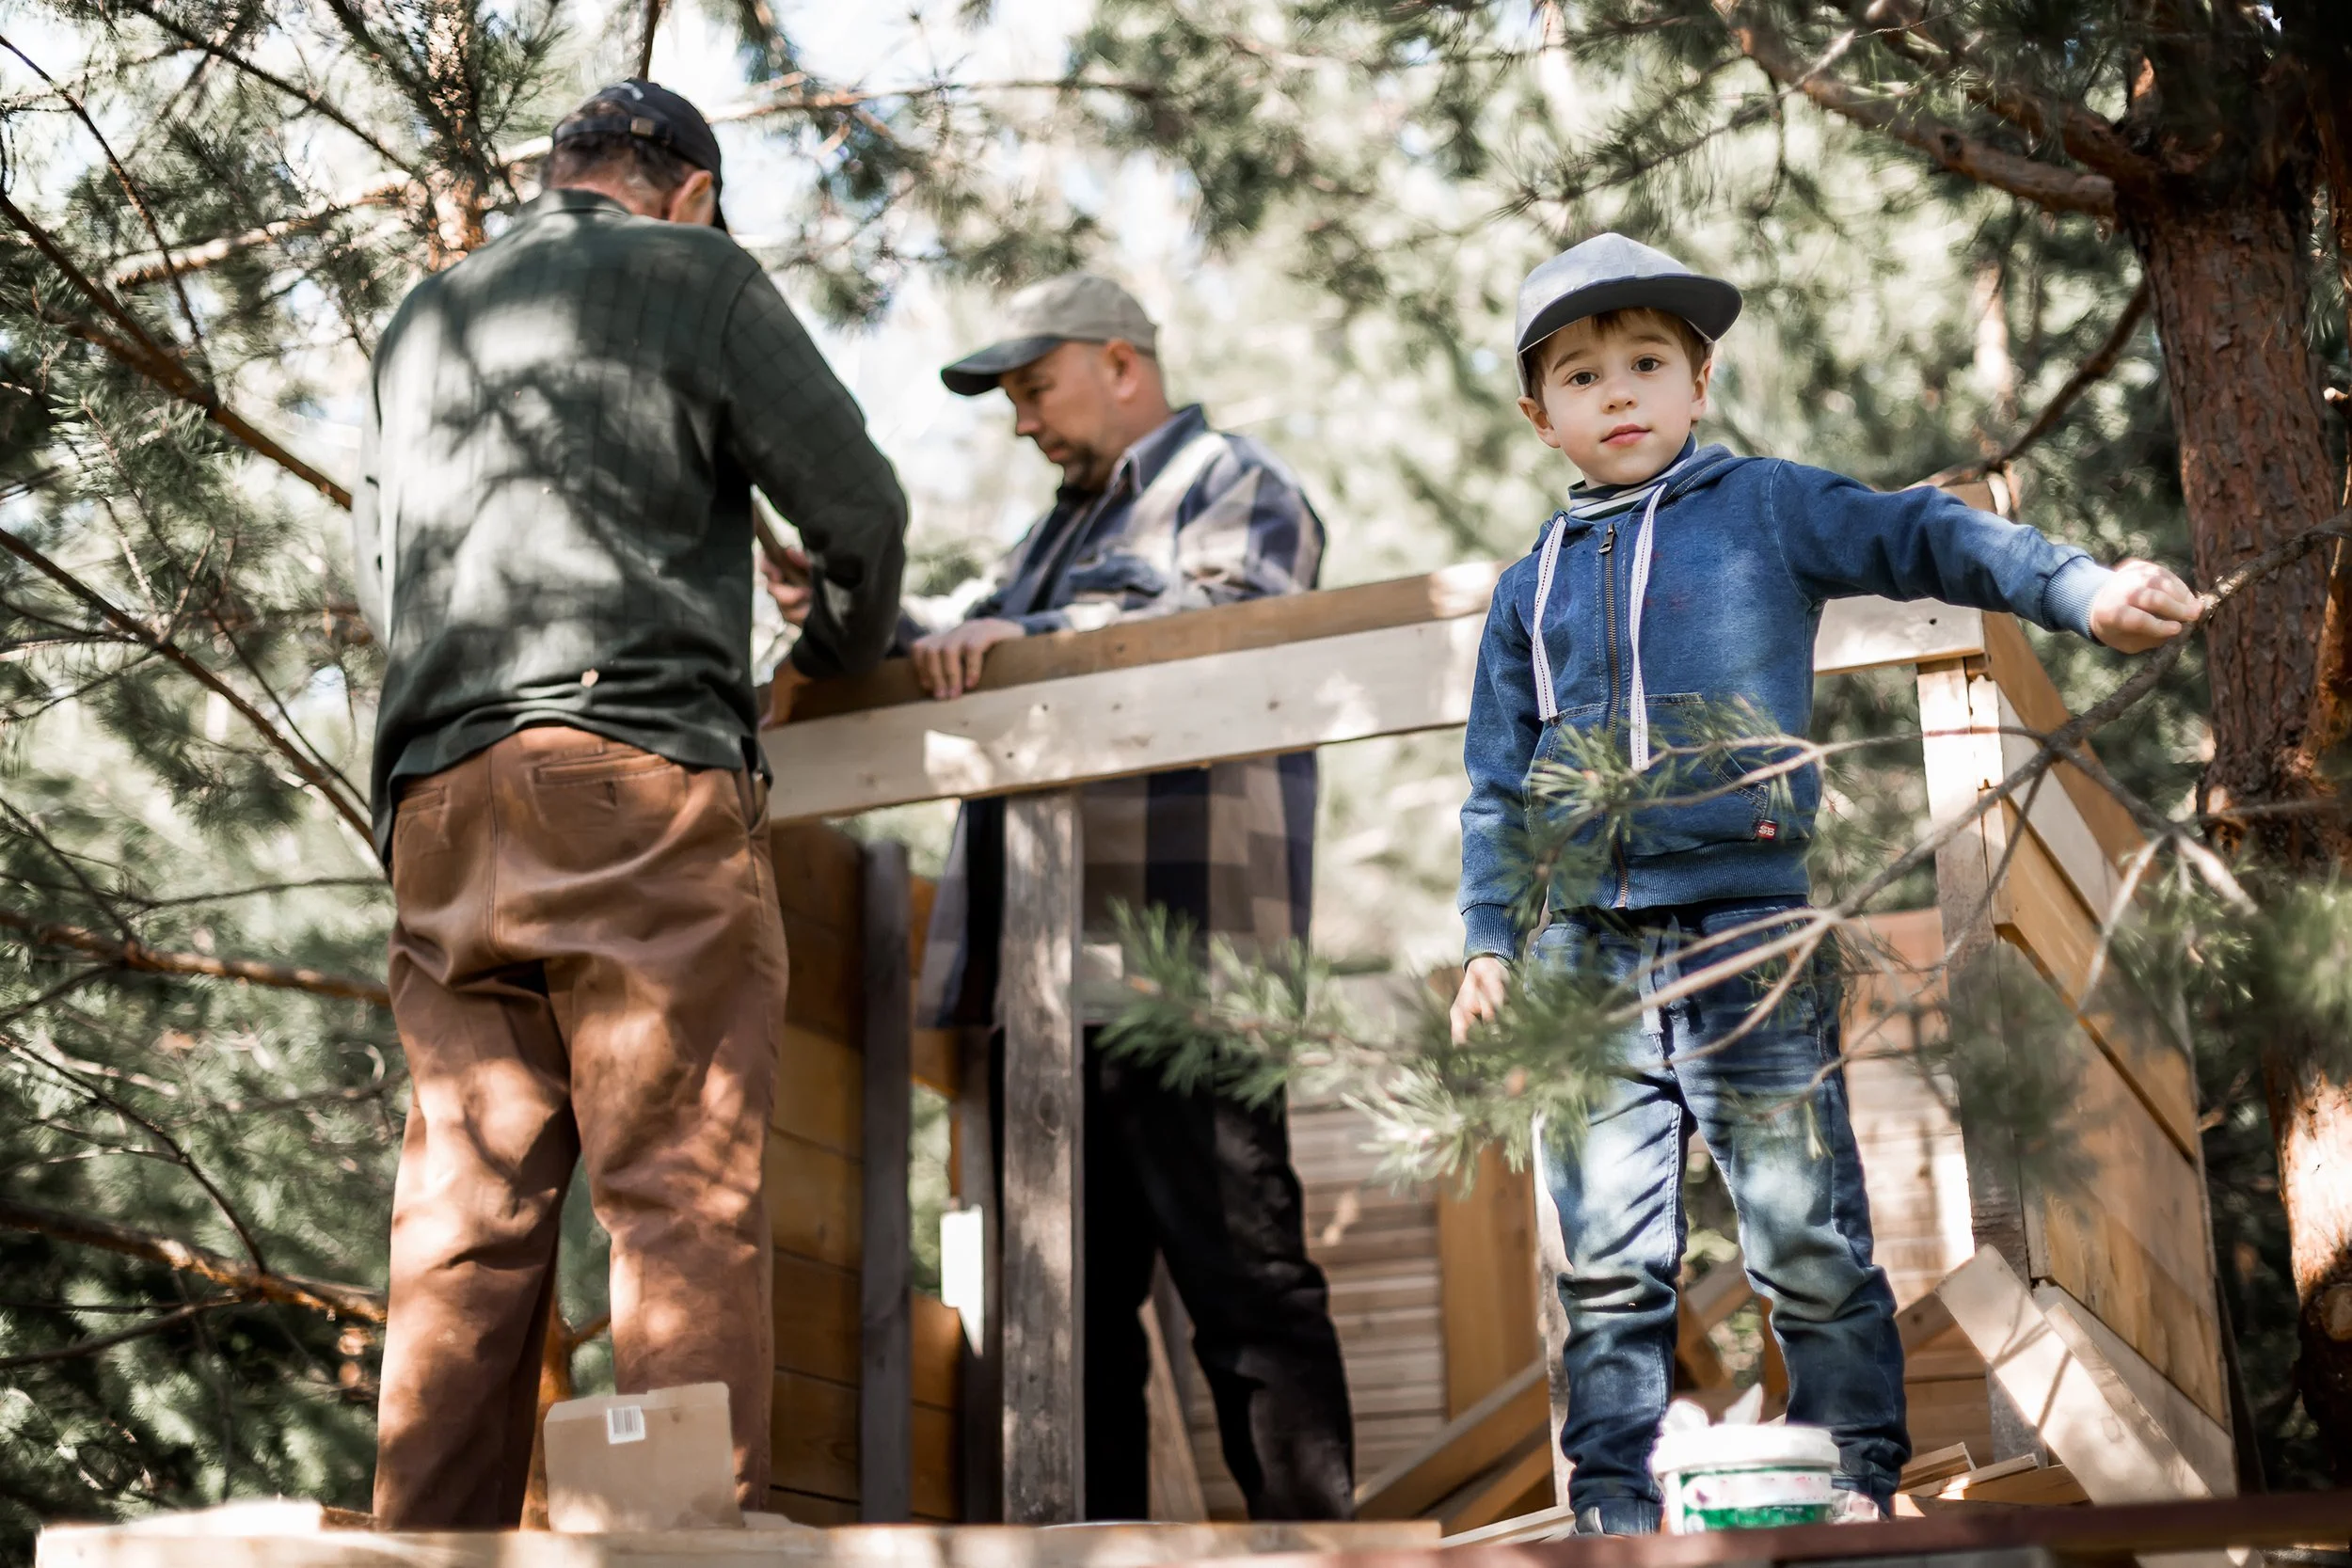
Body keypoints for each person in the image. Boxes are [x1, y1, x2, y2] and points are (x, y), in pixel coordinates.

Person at [1448, 233, 2199, 1533]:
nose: (1616, 393)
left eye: (1645, 363)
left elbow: (1925, 534)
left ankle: (1855, 1475)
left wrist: (2081, 587)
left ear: (1700, 381)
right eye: (1581, 376)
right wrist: (1488, 943)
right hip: (1584, 956)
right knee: (1611, 1266)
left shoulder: (1767, 509)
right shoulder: (1530, 589)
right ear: (1538, 416)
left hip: (1752, 929)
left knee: (1802, 1232)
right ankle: (1613, 1510)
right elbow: (1498, 785)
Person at [352, 79, 908, 1528]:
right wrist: (835, 650)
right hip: (632, 765)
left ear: (562, 176)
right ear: (693, 191)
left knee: (461, 1216)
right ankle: (670, 1549)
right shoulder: (697, 272)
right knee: (677, 1185)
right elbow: (860, 509)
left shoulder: (423, 318)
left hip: (435, 797)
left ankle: (425, 1547)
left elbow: (386, 573)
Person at [914, 274, 1356, 1520]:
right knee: (1066, 1314)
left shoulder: (1234, 480)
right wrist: (872, 626)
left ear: (1121, 363)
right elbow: (973, 633)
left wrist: (1028, 638)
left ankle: (1317, 1555)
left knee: (1246, 1287)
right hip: (1040, 978)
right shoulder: (1052, 530)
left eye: (1034, 387)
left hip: (1186, 956)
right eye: (1008, 400)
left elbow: (1230, 617)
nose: (1021, 421)